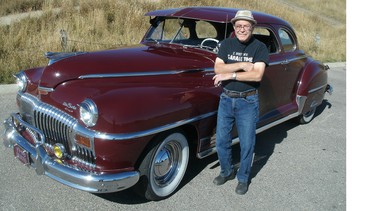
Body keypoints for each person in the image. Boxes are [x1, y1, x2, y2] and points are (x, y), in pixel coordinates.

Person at [212, 10, 269, 195]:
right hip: (226, 98)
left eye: (246, 26)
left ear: (252, 27)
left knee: (247, 143)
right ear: (234, 27)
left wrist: (231, 74)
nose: (242, 29)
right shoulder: (226, 44)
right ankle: (226, 171)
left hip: (248, 100)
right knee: (221, 140)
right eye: (238, 26)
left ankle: (243, 178)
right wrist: (242, 65)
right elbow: (217, 67)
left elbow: (257, 74)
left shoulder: (260, 47)